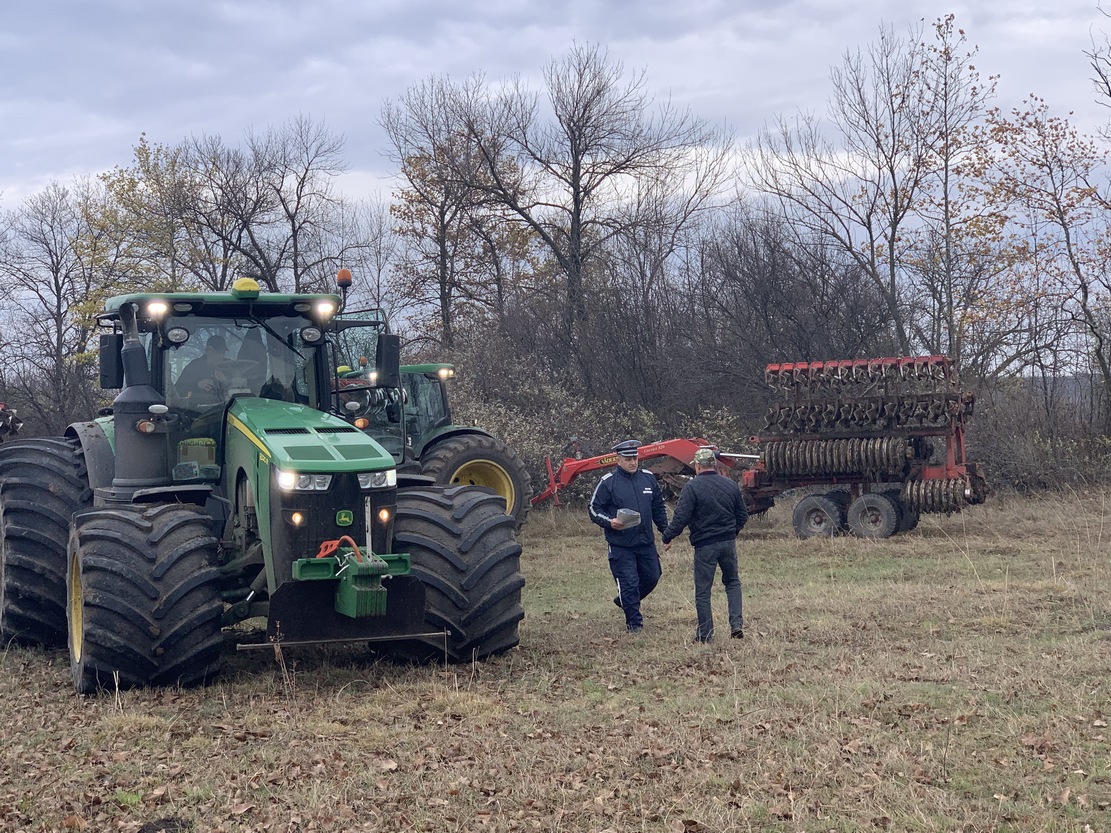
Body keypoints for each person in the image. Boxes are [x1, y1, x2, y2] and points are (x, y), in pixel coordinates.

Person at [662, 446, 749, 643]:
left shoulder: (691, 488)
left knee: (703, 591)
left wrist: (667, 536)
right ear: (714, 465)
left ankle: (705, 634)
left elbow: (680, 518)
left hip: (705, 546)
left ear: (698, 466)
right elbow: (742, 516)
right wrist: (731, 532)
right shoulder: (731, 485)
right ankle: (736, 625)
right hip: (728, 543)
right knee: (732, 582)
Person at [588, 439, 669, 634]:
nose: (633, 462)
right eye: (628, 459)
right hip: (621, 545)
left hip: (646, 543)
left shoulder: (648, 479)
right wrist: (610, 522)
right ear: (618, 460)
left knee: (652, 577)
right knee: (629, 583)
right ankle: (635, 625)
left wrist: (666, 532)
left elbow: (658, 508)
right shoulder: (608, 482)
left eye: (635, 458)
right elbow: (593, 508)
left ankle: (624, 599)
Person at [176, 335, 229, 404]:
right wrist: (197, 385)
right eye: (217, 352)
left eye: (223, 353)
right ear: (208, 351)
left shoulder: (229, 366)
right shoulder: (194, 367)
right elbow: (178, 389)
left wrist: (226, 382)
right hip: (198, 411)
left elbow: (240, 388)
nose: (221, 356)